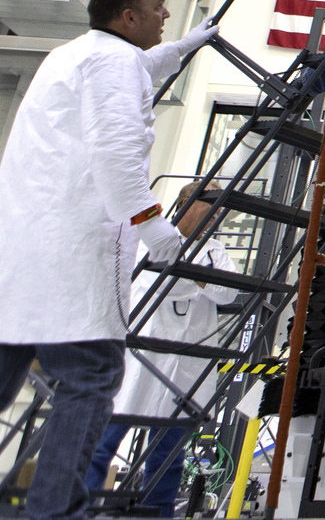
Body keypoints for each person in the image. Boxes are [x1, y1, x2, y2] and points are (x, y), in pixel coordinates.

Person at [0, 0, 216, 520]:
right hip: (74, 257)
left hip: (25, 257)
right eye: (161, 7)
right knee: (91, 376)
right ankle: (52, 512)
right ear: (129, 17)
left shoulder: (78, 54)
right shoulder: (114, 64)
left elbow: (142, 67)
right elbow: (118, 155)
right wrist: (154, 227)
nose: (168, 15)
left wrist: (186, 48)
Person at [88, 182, 236, 515]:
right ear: (185, 202)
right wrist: (203, 281)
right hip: (143, 355)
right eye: (208, 202)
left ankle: (158, 512)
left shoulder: (216, 250)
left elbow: (229, 292)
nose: (216, 213)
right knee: (105, 439)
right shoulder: (152, 236)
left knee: (169, 452)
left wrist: (195, 278)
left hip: (184, 364)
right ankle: (82, 507)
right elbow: (161, 283)